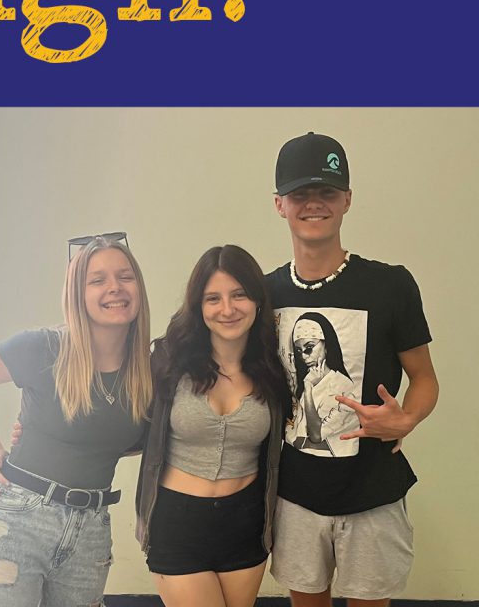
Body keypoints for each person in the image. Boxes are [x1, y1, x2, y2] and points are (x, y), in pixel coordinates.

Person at [262, 132, 435, 607]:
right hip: (295, 496)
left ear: (347, 200)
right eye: (300, 194)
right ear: (280, 204)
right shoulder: (264, 294)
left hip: (373, 493)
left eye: (327, 192)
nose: (313, 204)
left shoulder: (391, 285)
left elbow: (424, 378)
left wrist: (408, 418)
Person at [0, 236, 149, 607]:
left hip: (92, 530)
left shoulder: (147, 369)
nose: (114, 287)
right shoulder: (44, 347)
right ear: (77, 293)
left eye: (125, 276)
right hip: (18, 521)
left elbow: (131, 439)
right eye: (97, 280)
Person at [135, 245, 289, 607]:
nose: (227, 309)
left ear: (257, 301)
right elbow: (123, 416)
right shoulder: (168, 362)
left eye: (239, 295)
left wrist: (393, 426)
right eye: (213, 298)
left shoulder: (274, 369)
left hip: (245, 523)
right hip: (177, 522)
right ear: (199, 307)